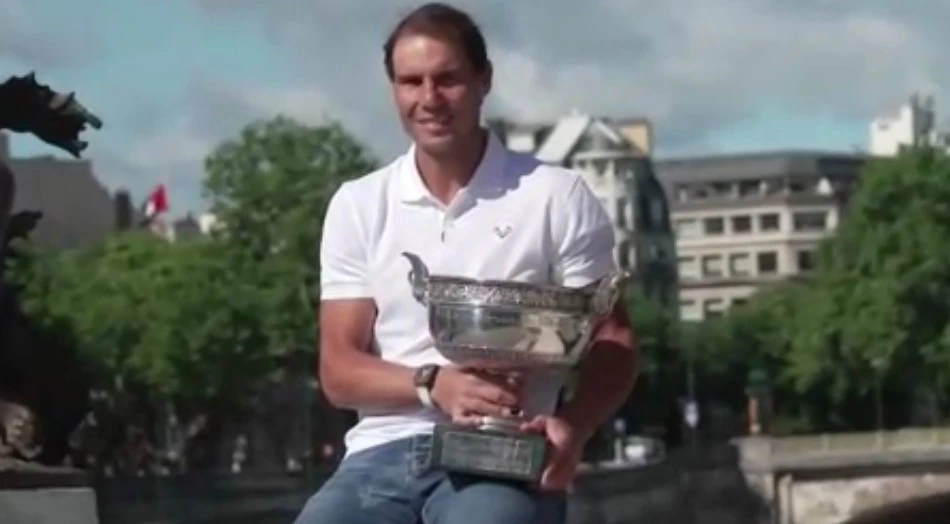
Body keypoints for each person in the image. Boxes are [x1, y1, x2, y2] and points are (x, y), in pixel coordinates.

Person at [293, 3, 639, 524]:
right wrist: (433, 384)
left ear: (484, 80)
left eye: (447, 79)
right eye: (411, 82)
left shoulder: (555, 196)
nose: (429, 99)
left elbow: (613, 340)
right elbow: (338, 369)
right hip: (382, 455)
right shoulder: (358, 204)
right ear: (393, 90)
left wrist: (574, 425)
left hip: (505, 453)